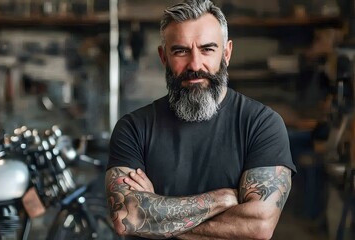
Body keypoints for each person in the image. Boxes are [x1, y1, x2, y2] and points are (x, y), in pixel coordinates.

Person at [105, 0, 297, 239]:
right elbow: (128, 218)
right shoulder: (133, 128)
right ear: (163, 56)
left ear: (226, 53)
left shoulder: (262, 124)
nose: (195, 64)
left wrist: (156, 216)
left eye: (207, 49)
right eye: (181, 51)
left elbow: (258, 225)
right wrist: (221, 199)